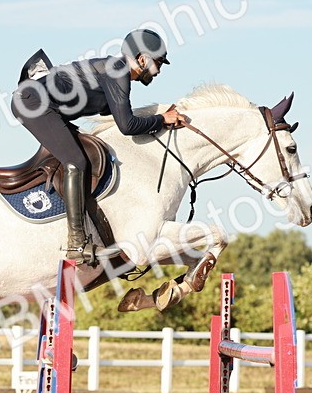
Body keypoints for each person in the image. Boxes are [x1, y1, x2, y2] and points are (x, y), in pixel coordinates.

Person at [10, 28, 186, 263]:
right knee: (77, 161)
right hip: (34, 103)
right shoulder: (118, 72)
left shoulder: (116, 72)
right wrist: (163, 119)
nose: (159, 70)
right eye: (158, 63)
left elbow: (122, 118)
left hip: (41, 103)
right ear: (143, 58)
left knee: (86, 156)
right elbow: (127, 125)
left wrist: (160, 115)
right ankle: (77, 243)